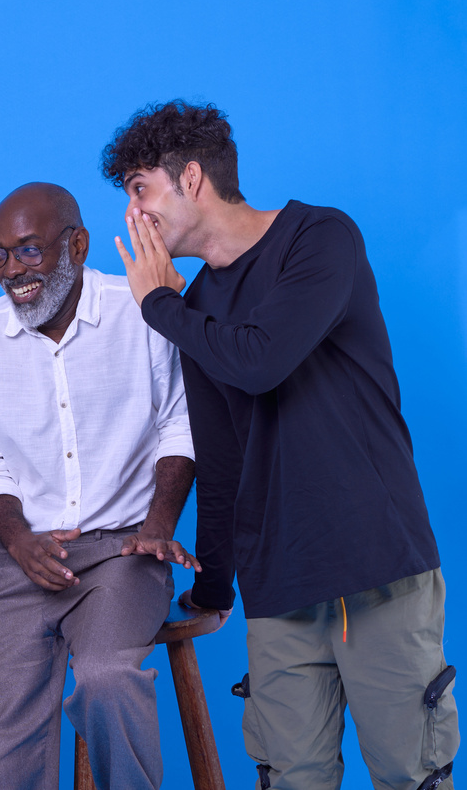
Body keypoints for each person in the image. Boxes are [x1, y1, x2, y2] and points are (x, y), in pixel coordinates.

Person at [106, 100, 457, 790]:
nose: (132, 218)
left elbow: (263, 358)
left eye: (141, 191)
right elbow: (222, 455)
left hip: (373, 563)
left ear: (193, 178)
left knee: (409, 773)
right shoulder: (195, 306)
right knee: (289, 777)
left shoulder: (319, 238)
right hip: (279, 588)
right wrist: (212, 585)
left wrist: (158, 306)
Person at [0, 182, 198, 790]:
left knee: (109, 681)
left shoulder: (141, 312)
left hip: (122, 551)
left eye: (28, 250)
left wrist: (158, 527)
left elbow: (180, 425)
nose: (11, 271)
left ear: (77, 245)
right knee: (3, 743)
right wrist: (19, 541)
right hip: (20, 558)